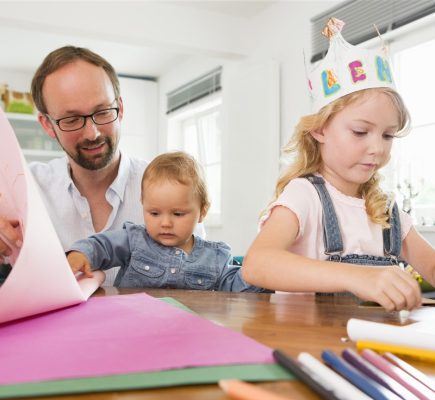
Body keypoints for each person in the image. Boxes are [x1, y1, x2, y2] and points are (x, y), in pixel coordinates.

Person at [242, 18, 430, 311]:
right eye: (359, 131)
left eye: (388, 135)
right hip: (311, 347)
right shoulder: (304, 195)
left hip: (373, 348)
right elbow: (256, 264)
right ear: (319, 130)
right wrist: (357, 277)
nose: (377, 148)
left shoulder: (389, 212)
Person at [0, 46, 204, 285]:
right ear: (47, 125)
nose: (92, 133)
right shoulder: (21, 191)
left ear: (121, 109)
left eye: (103, 111)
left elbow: (199, 280)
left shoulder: (173, 189)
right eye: (72, 119)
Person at [67, 151, 264, 292]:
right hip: (133, 327)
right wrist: (81, 253)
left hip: (187, 334)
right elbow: (104, 246)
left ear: (202, 212)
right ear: (143, 205)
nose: (166, 223)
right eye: (154, 213)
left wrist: (265, 272)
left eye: (178, 214)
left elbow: (236, 287)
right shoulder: (134, 239)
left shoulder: (215, 257)